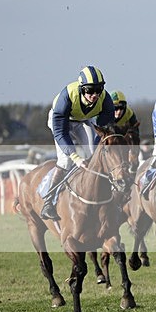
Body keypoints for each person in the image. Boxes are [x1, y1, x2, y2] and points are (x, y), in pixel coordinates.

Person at [40, 65, 116, 220]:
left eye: (98, 90)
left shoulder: (105, 100)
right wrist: (75, 157)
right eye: (90, 90)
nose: (94, 95)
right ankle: (48, 201)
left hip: (83, 120)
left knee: (94, 156)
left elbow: (103, 130)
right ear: (82, 89)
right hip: (61, 122)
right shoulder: (66, 97)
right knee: (66, 161)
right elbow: (61, 133)